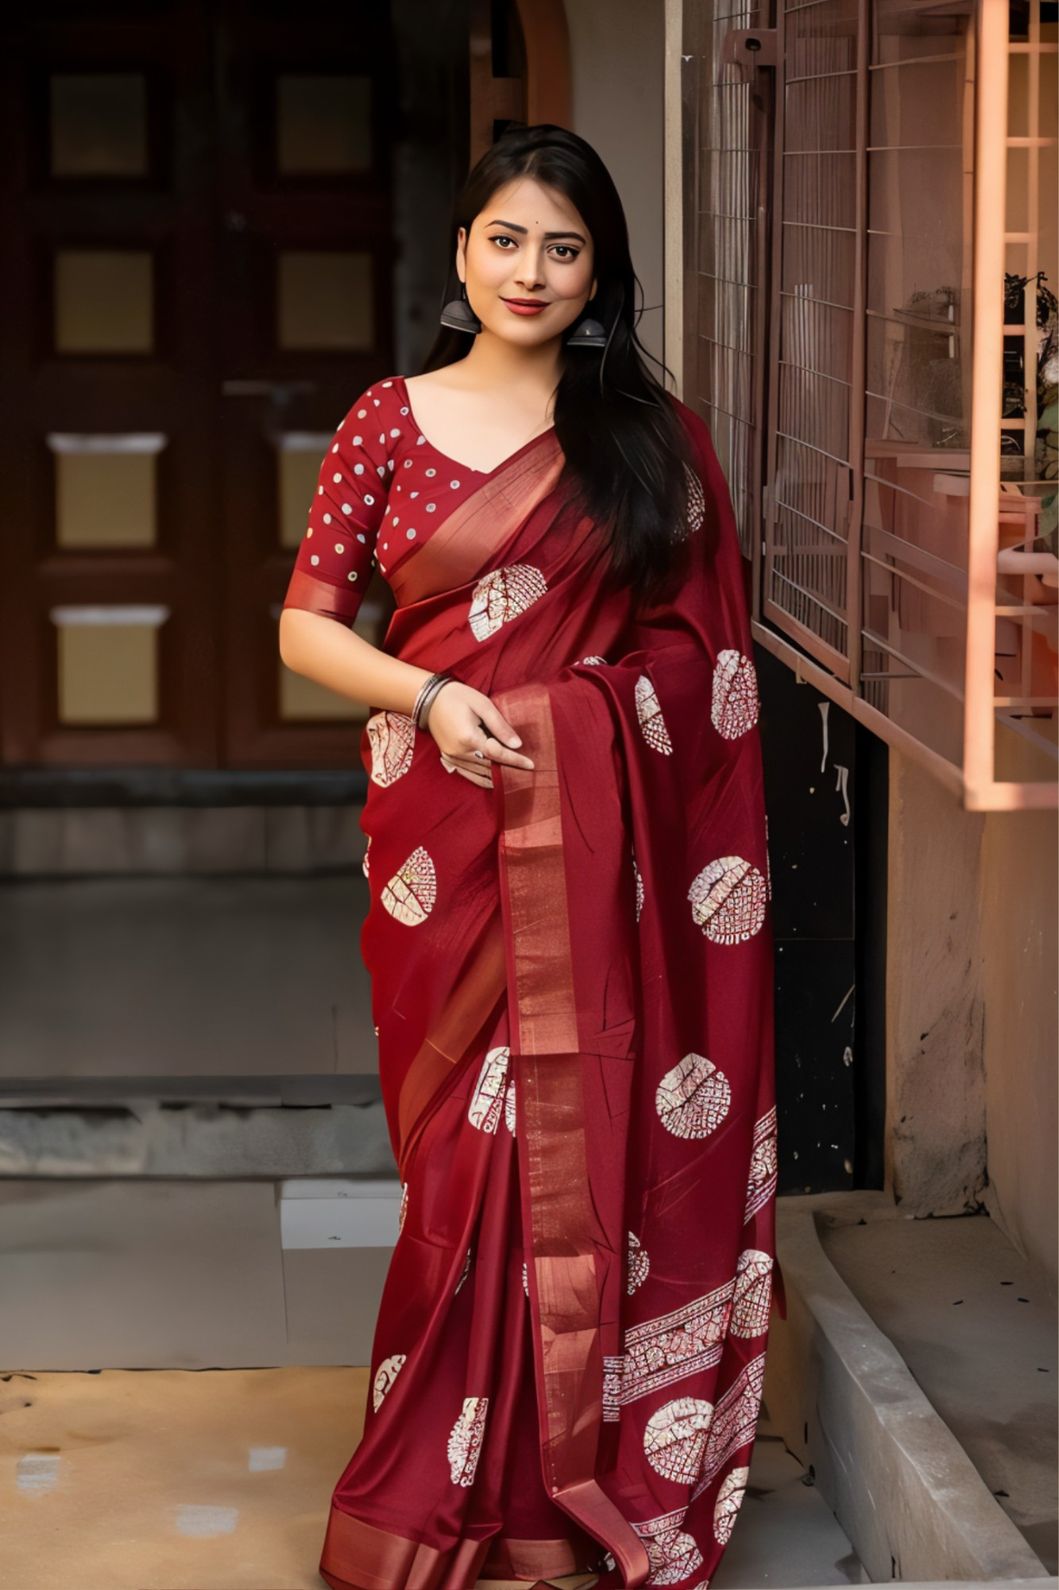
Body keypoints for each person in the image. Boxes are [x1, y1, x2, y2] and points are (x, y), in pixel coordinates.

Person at [279, 122, 784, 1590]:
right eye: (506, 239)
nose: (531, 271)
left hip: (598, 860)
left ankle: (563, 1495)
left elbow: (706, 666)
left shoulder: (649, 442)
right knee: (459, 1169)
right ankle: (447, 1480)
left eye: (565, 249)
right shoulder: (388, 420)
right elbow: (307, 625)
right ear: (461, 250)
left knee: (577, 1142)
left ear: (598, 271)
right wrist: (434, 695)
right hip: (444, 848)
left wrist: (578, 721)